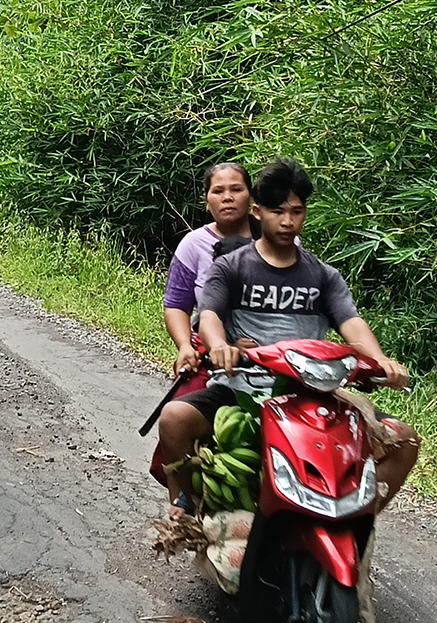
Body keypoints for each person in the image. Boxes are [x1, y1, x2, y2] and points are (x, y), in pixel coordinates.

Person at [158, 158, 420, 517]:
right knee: (173, 418)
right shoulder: (230, 268)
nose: (287, 222)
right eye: (277, 211)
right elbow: (210, 316)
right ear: (258, 212)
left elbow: (351, 322)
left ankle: (356, 522)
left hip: (313, 393)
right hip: (242, 387)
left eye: (296, 212)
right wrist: (219, 347)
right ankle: (185, 505)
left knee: (404, 440)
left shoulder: (323, 275)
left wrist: (381, 361)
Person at [162, 162, 256, 376]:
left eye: (236, 189)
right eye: (218, 191)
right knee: (176, 410)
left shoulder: (276, 241)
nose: (227, 198)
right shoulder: (193, 244)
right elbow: (176, 305)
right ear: (206, 202)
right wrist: (185, 346)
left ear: (251, 198)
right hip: (208, 356)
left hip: (271, 357)